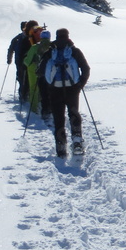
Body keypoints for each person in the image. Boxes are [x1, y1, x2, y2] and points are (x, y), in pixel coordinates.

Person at [39, 28, 90, 157]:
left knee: (58, 119)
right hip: (72, 89)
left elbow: (40, 71)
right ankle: (77, 142)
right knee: (73, 113)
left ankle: (61, 148)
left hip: (54, 90)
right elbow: (86, 69)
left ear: (56, 37)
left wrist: (49, 87)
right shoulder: (74, 51)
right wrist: (80, 85)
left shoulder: (50, 52)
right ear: (68, 36)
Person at [24, 28, 52, 118]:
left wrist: (24, 61)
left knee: (34, 89)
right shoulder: (52, 46)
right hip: (49, 70)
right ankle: (49, 109)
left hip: (34, 70)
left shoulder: (35, 47)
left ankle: (34, 109)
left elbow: (27, 61)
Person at [15, 20, 40, 103]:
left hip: (24, 62)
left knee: (23, 81)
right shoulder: (34, 36)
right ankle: (31, 99)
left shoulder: (23, 37)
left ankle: (23, 97)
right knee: (32, 83)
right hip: (34, 63)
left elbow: (19, 51)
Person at [6, 22, 27, 100]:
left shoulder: (17, 38)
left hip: (19, 61)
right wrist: (9, 59)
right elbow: (11, 49)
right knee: (23, 78)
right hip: (22, 62)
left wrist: (9, 59)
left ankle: (23, 95)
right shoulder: (20, 38)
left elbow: (11, 50)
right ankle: (24, 95)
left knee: (21, 78)